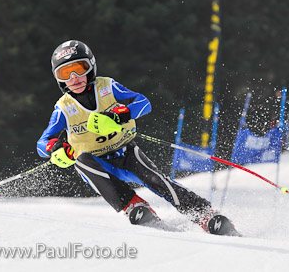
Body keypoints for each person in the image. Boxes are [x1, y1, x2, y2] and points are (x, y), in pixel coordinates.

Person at [37, 40, 240, 236]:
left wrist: (119, 115)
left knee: (157, 180)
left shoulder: (106, 86)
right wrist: (54, 149)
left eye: (80, 68)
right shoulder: (63, 108)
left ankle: (205, 215)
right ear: (59, 79)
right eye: (65, 73)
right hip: (97, 164)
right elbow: (43, 143)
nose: (74, 77)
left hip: (125, 152)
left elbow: (144, 103)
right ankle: (133, 205)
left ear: (91, 67)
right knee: (81, 162)